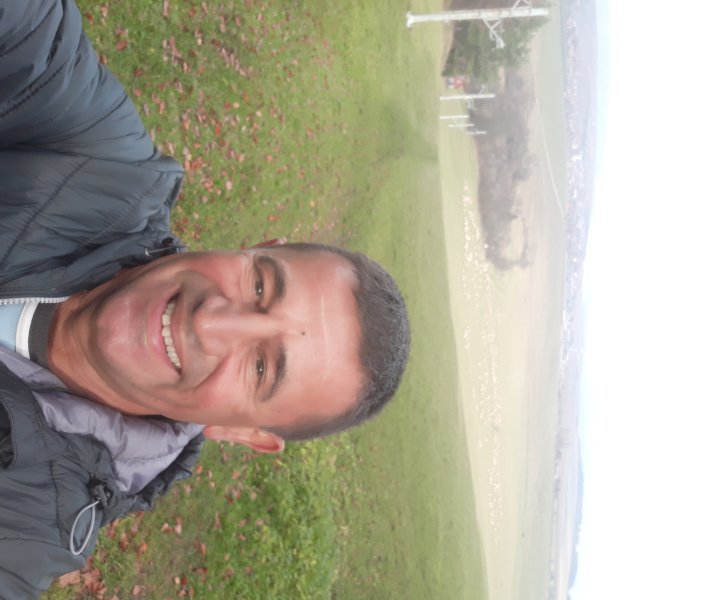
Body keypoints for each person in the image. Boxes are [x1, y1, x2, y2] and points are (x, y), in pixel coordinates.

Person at [0, 1, 410, 596]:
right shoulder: (103, 169)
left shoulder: (24, 528)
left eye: (261, 369)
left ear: (242, 433)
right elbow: (32, 36)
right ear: (257, 247)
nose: (211, 324)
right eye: (260, 286)